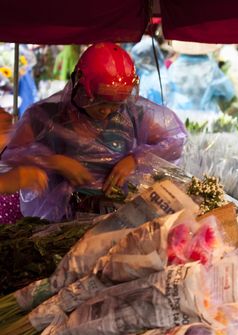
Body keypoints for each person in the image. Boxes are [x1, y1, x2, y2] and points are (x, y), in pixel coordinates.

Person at [2, 42, 187, 222]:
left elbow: (174, 141)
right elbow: (13, 155)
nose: (106, 111)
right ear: (78, 85)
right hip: (60, 218)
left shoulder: (133, 113)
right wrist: (54, 162)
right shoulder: (44, 116)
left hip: (116, 212)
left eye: (115, 105)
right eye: (99, 102)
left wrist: (136, 159)